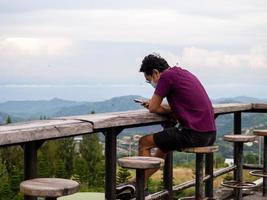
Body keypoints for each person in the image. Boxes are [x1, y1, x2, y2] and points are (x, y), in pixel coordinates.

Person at [116, 53, 216, 198]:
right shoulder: (182, 73)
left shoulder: (166, 77)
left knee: (144, 142)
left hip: (194, 134)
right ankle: (135, 182)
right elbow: (180, 107)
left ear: (156, 72)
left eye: (148, 80)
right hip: (209, 133)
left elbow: (153, 109)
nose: (151, 84)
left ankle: (140, 190)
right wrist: (162, 107)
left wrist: (154, 105)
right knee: (163, 146)